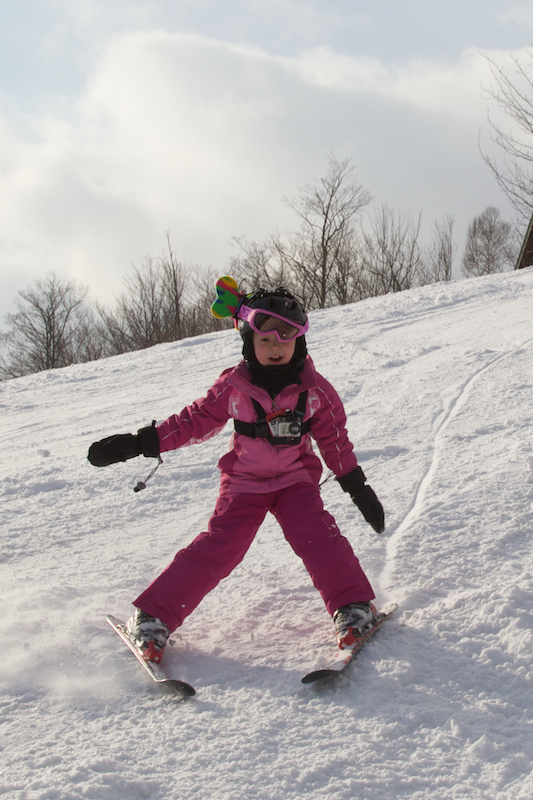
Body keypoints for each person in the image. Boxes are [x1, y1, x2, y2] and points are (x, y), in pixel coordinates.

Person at [88, 285, 385, 665]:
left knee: (316, 535)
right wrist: (140, 443)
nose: (275, 347)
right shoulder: (234, 387)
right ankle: (153, 616)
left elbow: (335, 443)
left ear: (299, 341)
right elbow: (194, 421)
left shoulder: (316, 392)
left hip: (295, 481)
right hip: (244, 482)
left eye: (286, 337)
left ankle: (353, 606)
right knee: (221, 545)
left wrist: (358, 488)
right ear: (249, 342)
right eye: (265, 339)